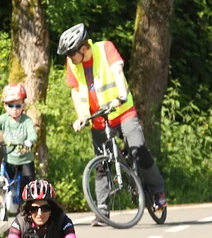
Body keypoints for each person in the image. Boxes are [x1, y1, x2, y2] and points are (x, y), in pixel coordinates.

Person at [57, 23, 166, 224]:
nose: (70, 58)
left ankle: (157, 190)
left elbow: (117, 71)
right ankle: (102, 210)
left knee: (139, 149)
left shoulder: (104, 48)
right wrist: (82, 116)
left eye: (71, 53)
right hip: (98, 118)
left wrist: (121, 96)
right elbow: (76, 91)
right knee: (102, 163)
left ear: (83, 48)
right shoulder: (72, 64)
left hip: (123, 112)